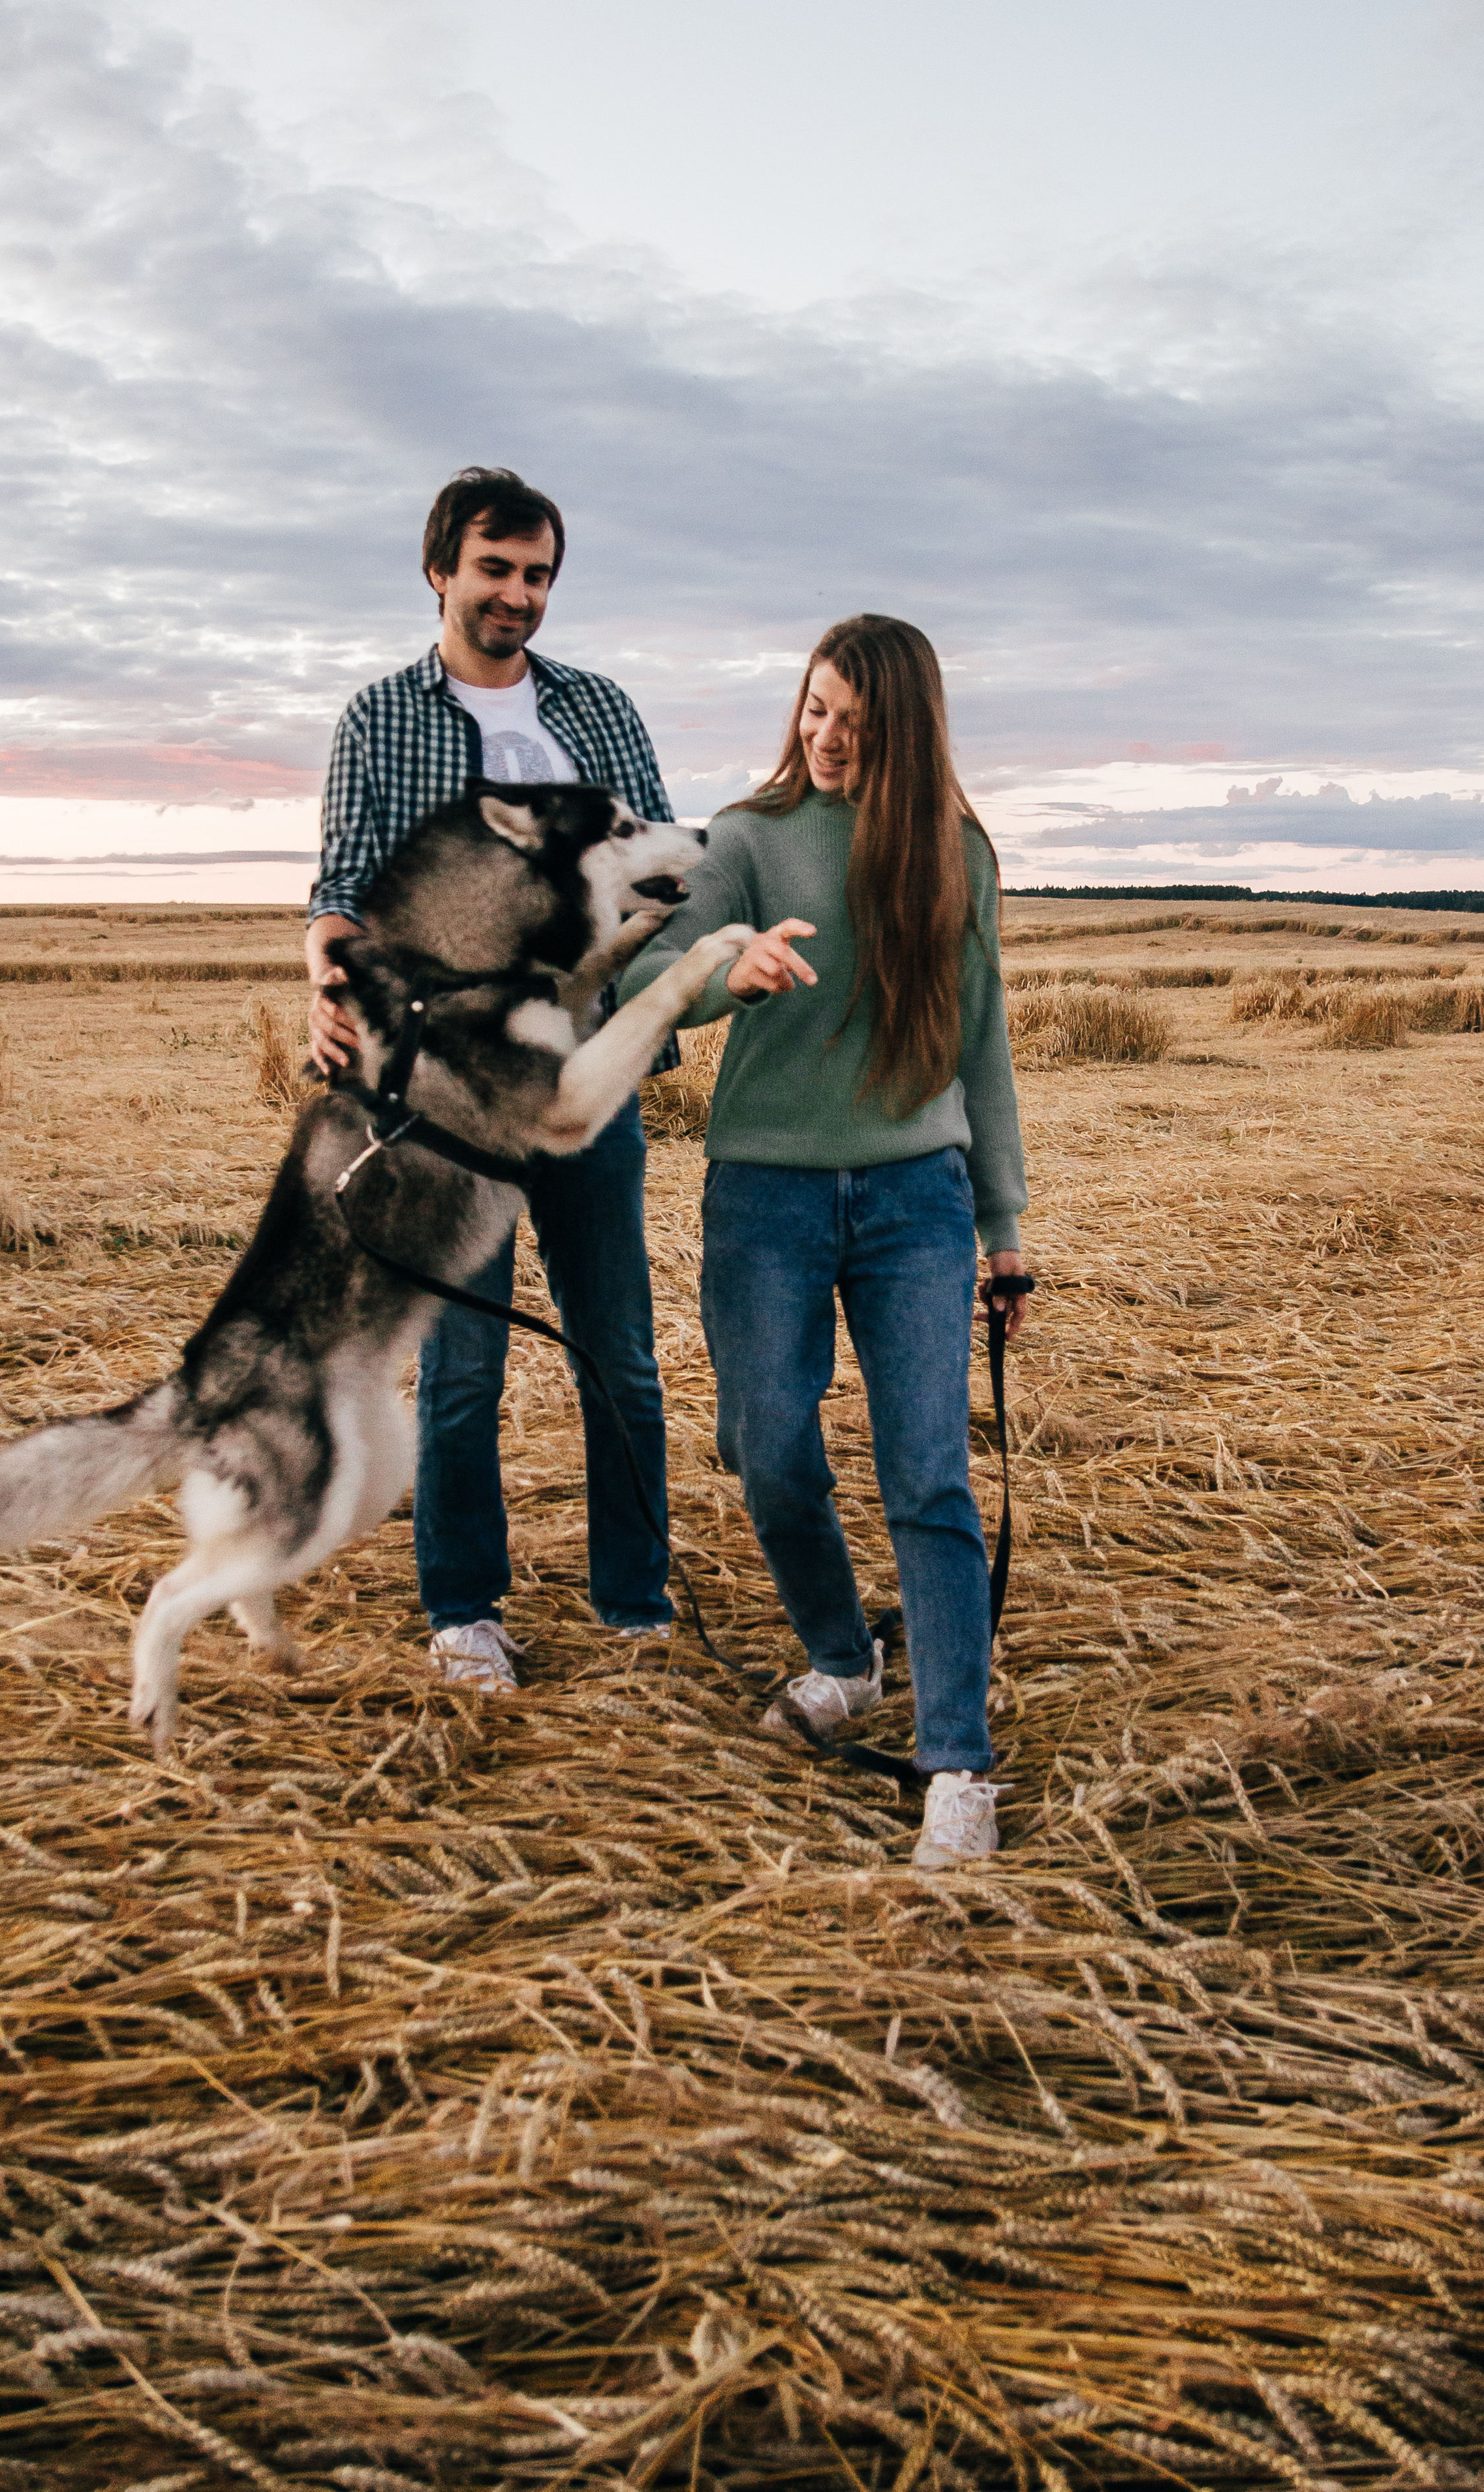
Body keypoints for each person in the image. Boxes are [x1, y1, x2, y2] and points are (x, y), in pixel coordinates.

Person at [618, 614, 1030, 1869]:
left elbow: (984, 1044)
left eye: (854, 716)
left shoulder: (956, 851)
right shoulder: (747, 839)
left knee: (928, 1475)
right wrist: (724, 969)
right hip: (768, 1199)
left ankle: (957, 1763)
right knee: (769, 1445)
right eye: (813, 708)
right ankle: (843, 1658)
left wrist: (1005, 1228)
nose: (828, 735)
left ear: (904, 723)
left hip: (919, 1200)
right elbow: (663, 959)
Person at [305, 465, 677, 1690]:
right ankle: (464, 1608)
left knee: (616, 1346)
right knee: (464, 1358)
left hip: (581, 1087)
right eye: (496, 571)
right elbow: (342, 893)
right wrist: (332, 979)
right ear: (440, 572)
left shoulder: (601, 712)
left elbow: (664, 867)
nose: (518, 595)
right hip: (447, 1100)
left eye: (538, 576)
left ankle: (636, 1594)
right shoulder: (379, 720)